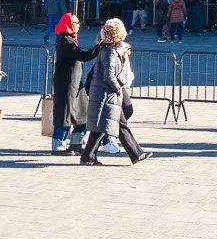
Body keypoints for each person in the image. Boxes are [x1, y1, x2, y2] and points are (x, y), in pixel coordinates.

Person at [79, 18, 149, 165]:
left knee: (111, 124)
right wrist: (117, 89)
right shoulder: (109, 52)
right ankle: (134, 154)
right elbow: (110, 75)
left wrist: (123, 58)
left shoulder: (109, 51)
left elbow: (115, 72)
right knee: (109, 125)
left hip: (106, 93)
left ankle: (135, 154)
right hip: (107, 94)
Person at [50, 13, 97, 154]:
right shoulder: (65, 40)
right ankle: (58, 146)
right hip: (66, 84)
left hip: (75, 84)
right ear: (68, 25)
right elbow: (83, 56)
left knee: (83, 113)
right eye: (75, 23)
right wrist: (100, 47)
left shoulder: (70, 39)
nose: (78, 26)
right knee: (64, 115)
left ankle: (77, 143)